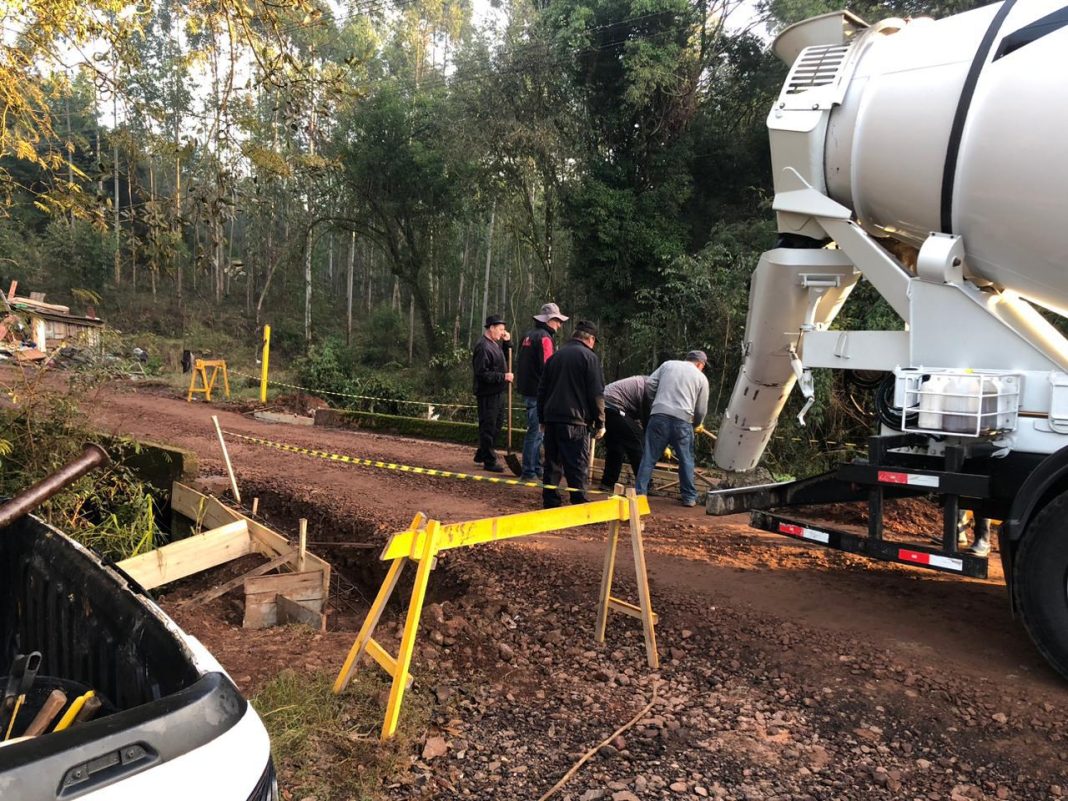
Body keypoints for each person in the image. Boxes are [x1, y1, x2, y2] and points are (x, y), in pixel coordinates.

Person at [537, 320, 605, 508]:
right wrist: (600, 421)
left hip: (552, 418)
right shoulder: (590, 358)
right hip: (575, 421)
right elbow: (596, 393)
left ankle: (550, 502)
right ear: (591, 339)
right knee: (577, 465)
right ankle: (579, 504)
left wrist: (542, 418)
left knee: (552, 464)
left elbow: (542, 390)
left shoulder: (555, 357)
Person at [635, 350, 709, 507]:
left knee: (649, 456)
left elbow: (649, 385)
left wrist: (656, 404)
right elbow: (701, 409)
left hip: (658, 417)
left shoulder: (668, 365)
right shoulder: (701, 377)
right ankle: (689, 497)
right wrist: (696, 424)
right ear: (699, 364)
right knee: (686, 459)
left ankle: (640, 494)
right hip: (683, 421)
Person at [515, 302, 569, 480]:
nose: (559, 325)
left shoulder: (527, 335)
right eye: (557, 321)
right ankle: (529, 471)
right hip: (538, 392)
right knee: (536, 433)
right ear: (548, 320)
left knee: (536, 431)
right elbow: (548, 367)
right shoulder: (545, 338)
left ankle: (536, 468)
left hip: (527, 389)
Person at [471, 314, 513, 473]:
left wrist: (507, 342)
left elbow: (505, 358)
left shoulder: (494, 344)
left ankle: (482, 453)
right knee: (488, 426)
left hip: (498, 391)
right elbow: (482, 373)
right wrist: (503, 377)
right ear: (491, 328)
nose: (503, 332)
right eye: (501, 329)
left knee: (497, 425)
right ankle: (489, 460)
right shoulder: (483, 347)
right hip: (487, 394)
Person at [598, 374, 651, 491]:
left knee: (615, 446)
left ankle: (607, 483)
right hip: (614, 405)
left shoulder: (647, 383)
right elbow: (647, 420)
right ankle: (645, 485)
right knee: (638, 442)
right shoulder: (650, 387)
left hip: (603, 405)